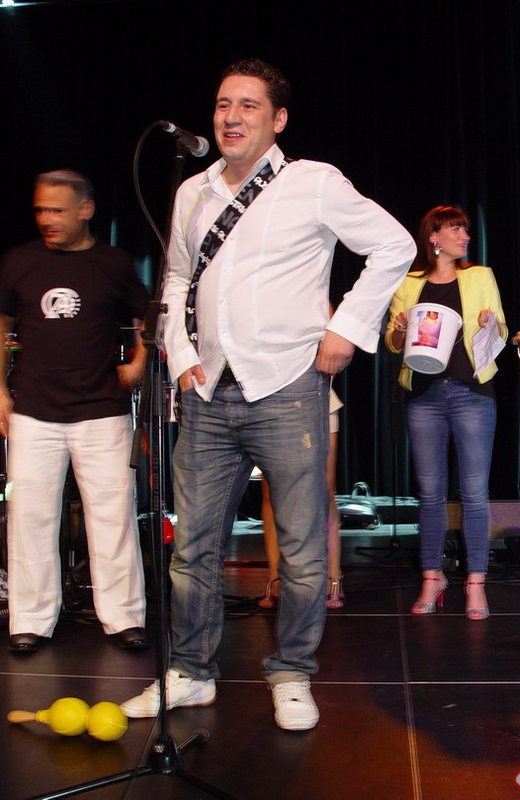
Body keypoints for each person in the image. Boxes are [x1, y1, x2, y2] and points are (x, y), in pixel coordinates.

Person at [120, 58, 416, 730]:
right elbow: (176, 280)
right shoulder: (192, 191)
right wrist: (182, 356)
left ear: (278, 119)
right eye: (223, 104)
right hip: (207, 392)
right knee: (192, 547)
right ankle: (190, 672)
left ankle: (291, 672)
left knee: (304, 550)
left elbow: (394, 246)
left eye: (248, 105)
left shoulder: (313, 183)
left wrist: (346, 328)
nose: (231, 116)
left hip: (287, 387)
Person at [0, 170, 149, 654]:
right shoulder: (18, 261)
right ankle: (30, 620)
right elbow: (1, 327)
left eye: (57, 210)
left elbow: (148, 316)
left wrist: (139, 365)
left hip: (101, 410)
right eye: (41, 209)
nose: (47, 219)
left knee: (113, 516)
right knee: (29, 516)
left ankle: (123, 618)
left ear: (86, 210)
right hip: (33, 410)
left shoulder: (113, 262)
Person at [385, 205, 507, 620]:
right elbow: (392, 342)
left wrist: (490, 324)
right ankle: (432, 576)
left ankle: (476, 582)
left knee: (474, 493)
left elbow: (501, 332)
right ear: (434, 237)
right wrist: (399, 329)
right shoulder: (408, 283)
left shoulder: (480, 276)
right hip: (424, 395)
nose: (465, 236)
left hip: (472, 392)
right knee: (430, 493)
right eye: (457, 230)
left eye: (466, 230)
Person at [258, 386, 344, 610]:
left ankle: (333, 574)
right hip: (268, 403)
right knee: (270, 492)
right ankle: (275, 575)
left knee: (325, 489)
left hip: (315, 399)